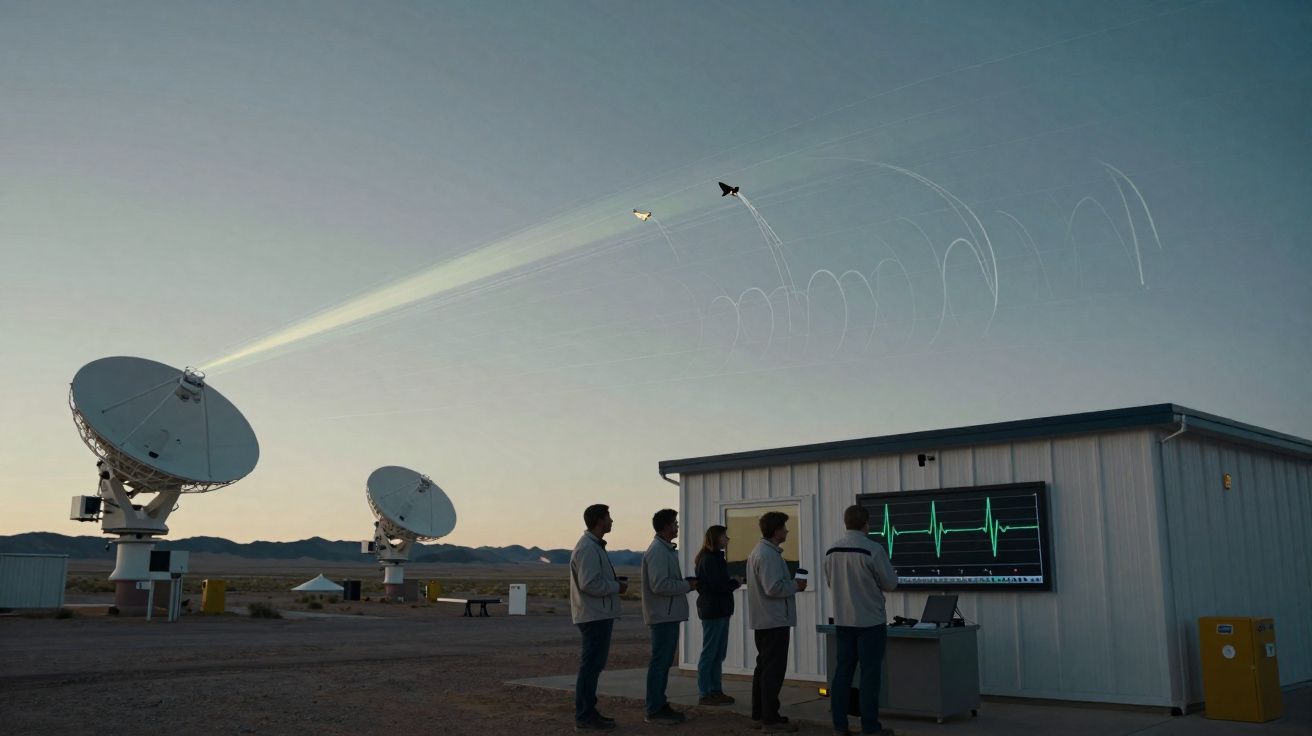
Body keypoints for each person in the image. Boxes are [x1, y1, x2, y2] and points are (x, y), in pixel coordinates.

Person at [823, 504, 899, 736]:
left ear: (845, 523)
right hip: (870, 622)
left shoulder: (832, 551)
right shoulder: (872, 550)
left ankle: (840, 724)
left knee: (842, 673)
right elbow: (890, 583)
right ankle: (869, 726)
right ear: (866, 524)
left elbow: (830, 582)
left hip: (843, 621)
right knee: (869, 675)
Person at [747, 511, 805, 733]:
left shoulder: (761, 552)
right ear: (776, 530)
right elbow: (773, 588)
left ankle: (760, 715)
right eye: (784, 527)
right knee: (772, 671)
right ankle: (769, 720)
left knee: (763, 669)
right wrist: (795, 586)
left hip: (766, 621)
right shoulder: (768, 555)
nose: (787, 531)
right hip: (773, 621)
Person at [570, 503, 626, 732]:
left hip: (597, 613)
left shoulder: (594, 547)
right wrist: (616, 587)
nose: (612, 521)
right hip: (594, 615)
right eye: (608, 517)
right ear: (599, 521)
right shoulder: (588, 549)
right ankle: (584, 716)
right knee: (591, 666)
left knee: (593, 666)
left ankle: (588, 712)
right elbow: (589, 583)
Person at [641, 508, 697, 724]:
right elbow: (659, 585)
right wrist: (686, 585)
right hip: (663, 615)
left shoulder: (666, 551)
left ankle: (658, 703)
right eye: (674, 523)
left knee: (662, 663)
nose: (677, 527)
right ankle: (654, 708)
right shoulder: (657, 551)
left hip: (668, 614)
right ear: (665, 526)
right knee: (660, 662)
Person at [694, 524, 740, 705]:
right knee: (710, 653)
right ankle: (705, 692)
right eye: (724, 536)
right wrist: (735, 583)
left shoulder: (714, 559)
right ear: (715, 538)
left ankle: (715, 690)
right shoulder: (709, 560)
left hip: (720, 610)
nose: (727, 539)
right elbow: (717, 586)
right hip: (714, 611)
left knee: (718, 653)